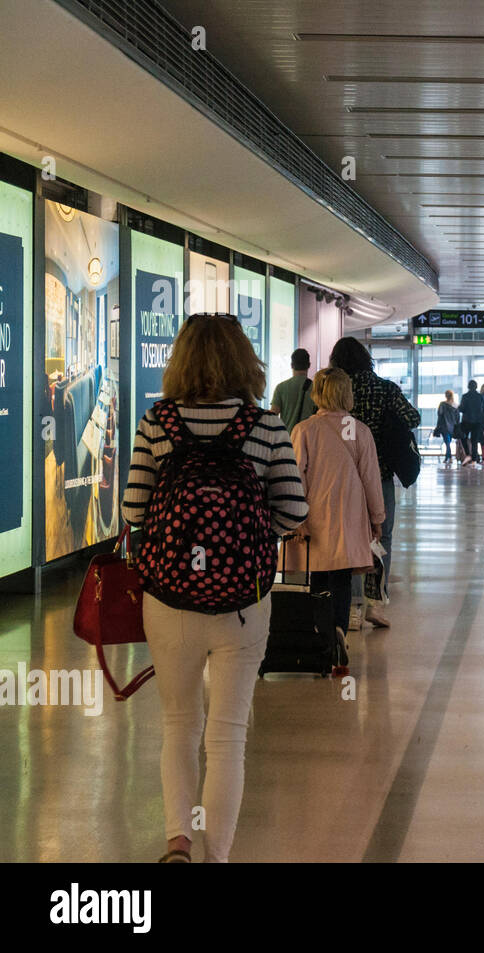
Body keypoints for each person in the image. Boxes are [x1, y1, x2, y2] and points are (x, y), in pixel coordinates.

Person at [121, 313, 308, 863]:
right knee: (227, 736)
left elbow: (134, 508)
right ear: (242, 360)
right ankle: (216, 856)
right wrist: (248, 537)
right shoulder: (265, 424)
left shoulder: (157, 421)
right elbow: (293, 510)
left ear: (180, 360)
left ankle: (177, 843)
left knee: (179, 725)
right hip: (243, 603)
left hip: (170, 598)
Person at [285, 368, 385, 643]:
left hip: (314, 512)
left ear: (317, 394)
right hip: (350, 512)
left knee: (317, 575)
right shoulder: (360, 430)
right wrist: (377, 518)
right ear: (347, 393)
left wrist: (297, 517)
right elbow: (370, 478)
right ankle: (339, 628)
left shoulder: (304, 429)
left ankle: (321, 633)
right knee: (341, 576)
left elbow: (296, 476)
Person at [329, 336, 420, 625]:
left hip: (342, 477)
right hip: (379, 476)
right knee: (381, 538)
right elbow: (413, 418)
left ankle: (353, 607)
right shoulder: (385, 388)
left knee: (348, 537)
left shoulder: (336, 392)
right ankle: (375, 603)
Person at [269, 348, 316, 433]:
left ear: (291, 365)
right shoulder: (316, 388)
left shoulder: (281, 388)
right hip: (308, 439)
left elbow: (273, 416)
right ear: (309, 365)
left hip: (287, 440)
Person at [459, 379, 484, 464]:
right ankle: (474, 460)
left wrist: (458, 407)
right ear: (476, 387)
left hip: (467, 421)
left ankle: (468, 454)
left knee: (463, 437)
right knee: (474, 441)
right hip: (478, 422)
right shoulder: (481, 397)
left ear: (468, 387)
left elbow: (462, 409)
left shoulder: (465, 396)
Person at [434, 390, 459, 464]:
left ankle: (449, 457)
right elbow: (458, 417)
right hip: (453, 427)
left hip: (444, 426)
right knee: (448, 442)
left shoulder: (442, 404)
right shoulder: (455, 405)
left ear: (446, 396)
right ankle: (448, 457)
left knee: (447, 443)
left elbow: (439, 414)